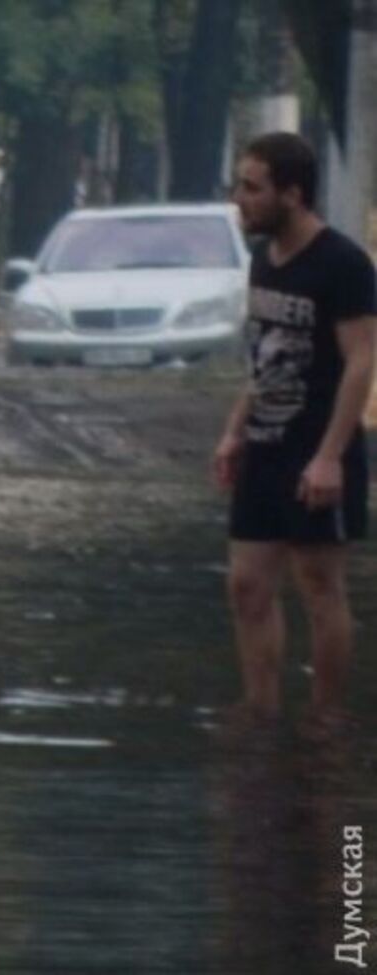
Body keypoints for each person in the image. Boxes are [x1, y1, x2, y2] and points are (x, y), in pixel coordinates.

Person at [215, 132, 376, 719]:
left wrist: (331, 455)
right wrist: (235, 428)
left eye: (252, 188)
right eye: (240, 186)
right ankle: (260, 710)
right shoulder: (264, 259)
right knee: (247, 586)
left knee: (318, 586)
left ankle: (325, 720)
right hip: (265, 444)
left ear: (293, 193)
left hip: (319, 446)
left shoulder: (343, 264)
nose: (240, 199)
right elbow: (265, 355)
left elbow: (362, 360)